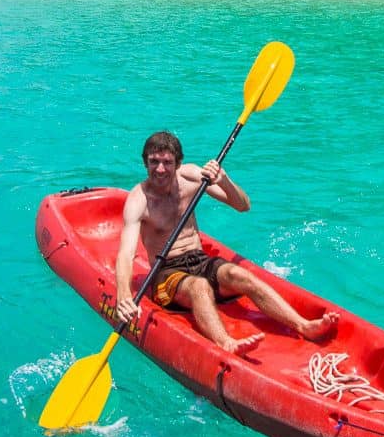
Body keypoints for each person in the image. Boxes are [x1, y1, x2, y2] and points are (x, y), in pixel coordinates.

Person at [115, 131, 339, 356]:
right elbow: (126, 254)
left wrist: (223, 179)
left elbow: (243, 205)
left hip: (199, 259)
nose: (160, 169)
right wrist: (124, 294)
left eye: (167, 162)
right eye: (154, 162)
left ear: (178, 163)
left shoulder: (192, 177)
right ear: (145, 162)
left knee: (238, 274)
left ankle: (303, 325)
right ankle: (226, 343)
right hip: (166, 272)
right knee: (199, 287)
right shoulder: (140, 200)